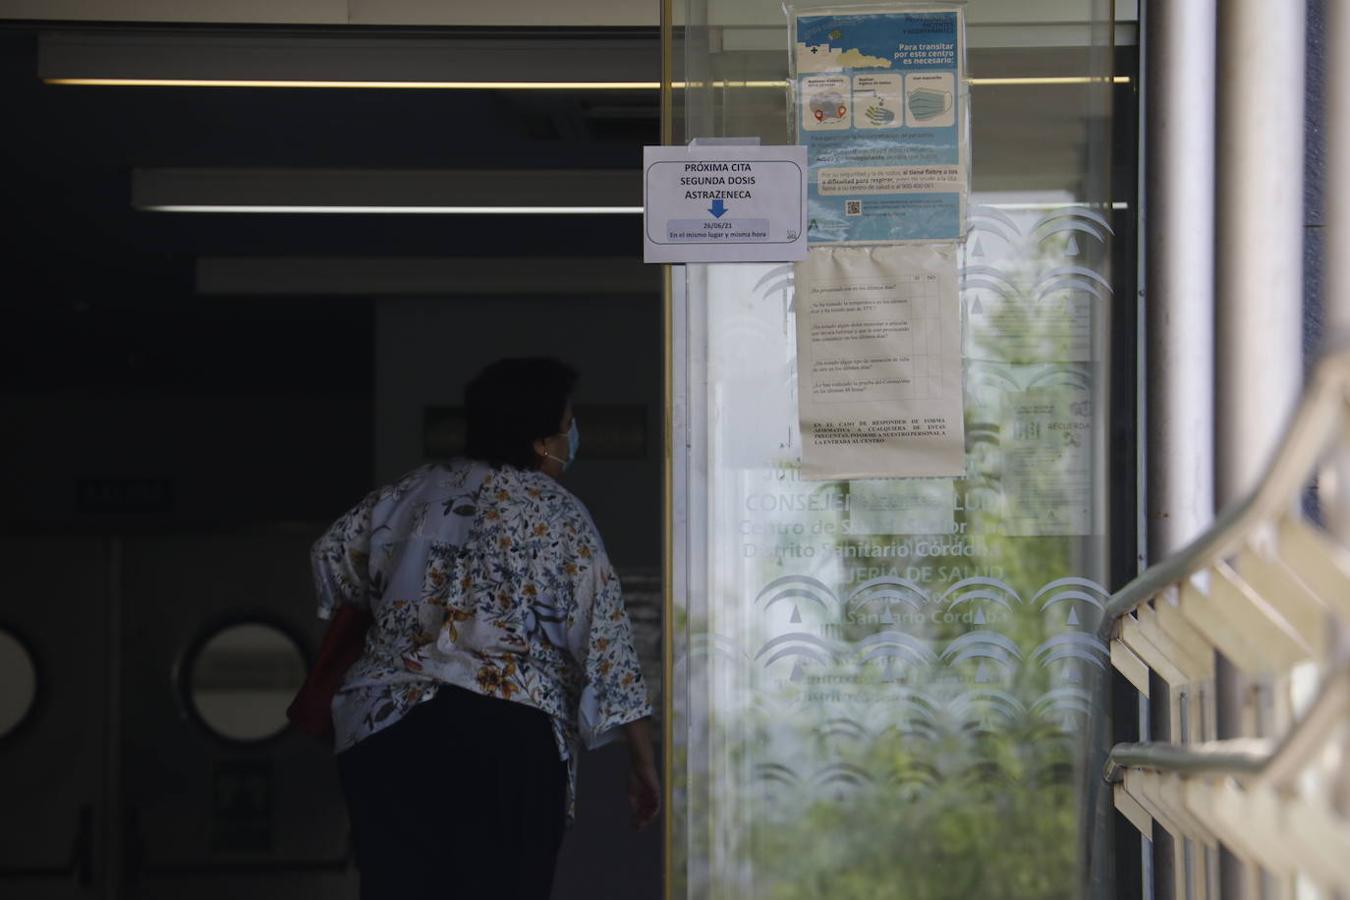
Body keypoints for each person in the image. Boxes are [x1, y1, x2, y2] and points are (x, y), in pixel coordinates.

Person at [310, 357, 659, 899]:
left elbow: (332, 560)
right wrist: (642, 760)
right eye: (567, 426)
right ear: (541, 439)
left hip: (385, 729)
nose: (571, 437)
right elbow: (605, 642)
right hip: (505, 736)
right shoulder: (561, 516)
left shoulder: (407, 495)